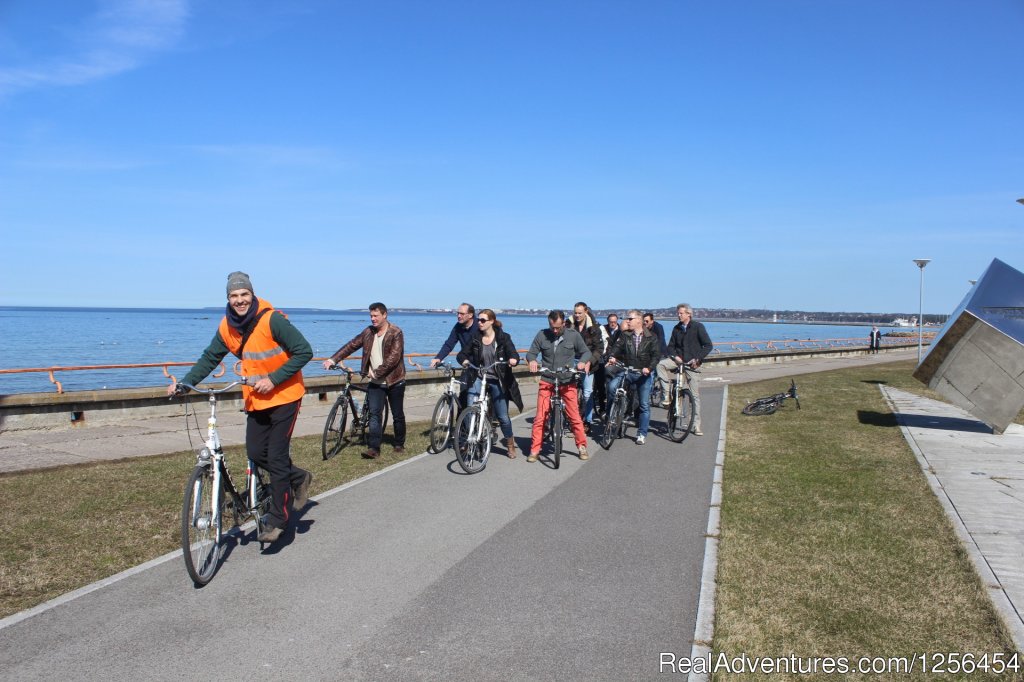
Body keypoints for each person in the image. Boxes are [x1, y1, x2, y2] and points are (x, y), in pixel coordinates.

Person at [168, 271, 313, 544]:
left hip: (285, 396)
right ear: (228, 298)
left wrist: (274, 379)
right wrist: (186, 383)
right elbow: (210, 357)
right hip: (256, 399)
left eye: (244, 294)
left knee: (277, 457)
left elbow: (304, 351)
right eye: (234, 296)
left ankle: (278, 519)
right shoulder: (227, 326)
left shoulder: (272, 320)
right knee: (257, 454)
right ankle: (299, 477)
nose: (240, 300)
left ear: (252, 294)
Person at [323, 302, 406, 460]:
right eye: (371, 316)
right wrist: (333, 359)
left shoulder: (396, 332)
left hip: (394, 380)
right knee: (374, 414)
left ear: (384, 315)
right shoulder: (368, 332)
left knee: (397, 415)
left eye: (375, 316)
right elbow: (351, 345)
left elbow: (394, 359)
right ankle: (373, 448)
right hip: (375, 383)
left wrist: (377, 372)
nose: (372, 319)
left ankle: (399, 443)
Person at [526, 310, 592, 462]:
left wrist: (582, 361)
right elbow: (531, 353)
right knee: (540, 417)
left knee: (574, 415)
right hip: (548, 379)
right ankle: (535, 449)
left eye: (557, 327)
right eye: (551, 327)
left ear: (563, 323)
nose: (554, 330)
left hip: (567, 381)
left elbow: (586, 352)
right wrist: (533, 361)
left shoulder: (573, 335)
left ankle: (582, 446)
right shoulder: (542, 334)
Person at [456, 309, 523, 458]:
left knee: (503, 417)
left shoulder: (503, 337)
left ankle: (510, 443)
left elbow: (514, 354)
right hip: (479, 376)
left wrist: (513, 360)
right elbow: (462, 354)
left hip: (497, 379)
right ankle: (470, 439)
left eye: (482, 320)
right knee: (470, 408)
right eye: (478, 320)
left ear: (491, 321)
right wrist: (464, 360)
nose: (479, 323)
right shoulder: (475, 337)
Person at [656, 304, 714, 436]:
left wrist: (697, 359)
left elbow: (708, 345)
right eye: (678, 313)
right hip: (678, 361)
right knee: (660, 365)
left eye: (681, 313)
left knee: (694, 396)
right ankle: (666, 394)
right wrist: (675, 356)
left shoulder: (698, 327)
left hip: (692, 364)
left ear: (689, 314)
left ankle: (696, 425)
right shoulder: (677, 329)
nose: (679, 315)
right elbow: (670, 347)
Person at [606, 309, 660, 445]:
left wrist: (649, 368)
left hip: (643, 374)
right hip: (627, 371)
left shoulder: (651, 337)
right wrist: (612, 356)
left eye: (630, 319)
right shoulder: (626, 335)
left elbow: (656, 356)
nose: (627, 321)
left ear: (638, 321)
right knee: (612, 387)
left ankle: (641, 433)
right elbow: (616, 348)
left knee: (644, 405)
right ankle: (611, 416)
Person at [572, 302, 605, 434]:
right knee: (569, 391)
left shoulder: (594, 328)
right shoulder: (569, 326)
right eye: (575, 312)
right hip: (572, 360)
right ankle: (571, 419)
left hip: (588, 362)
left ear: (585, 312)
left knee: (587, 392)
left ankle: (588, 420)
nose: (577, 315)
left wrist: (589, 361)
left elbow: (599, 349)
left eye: (580, 313)